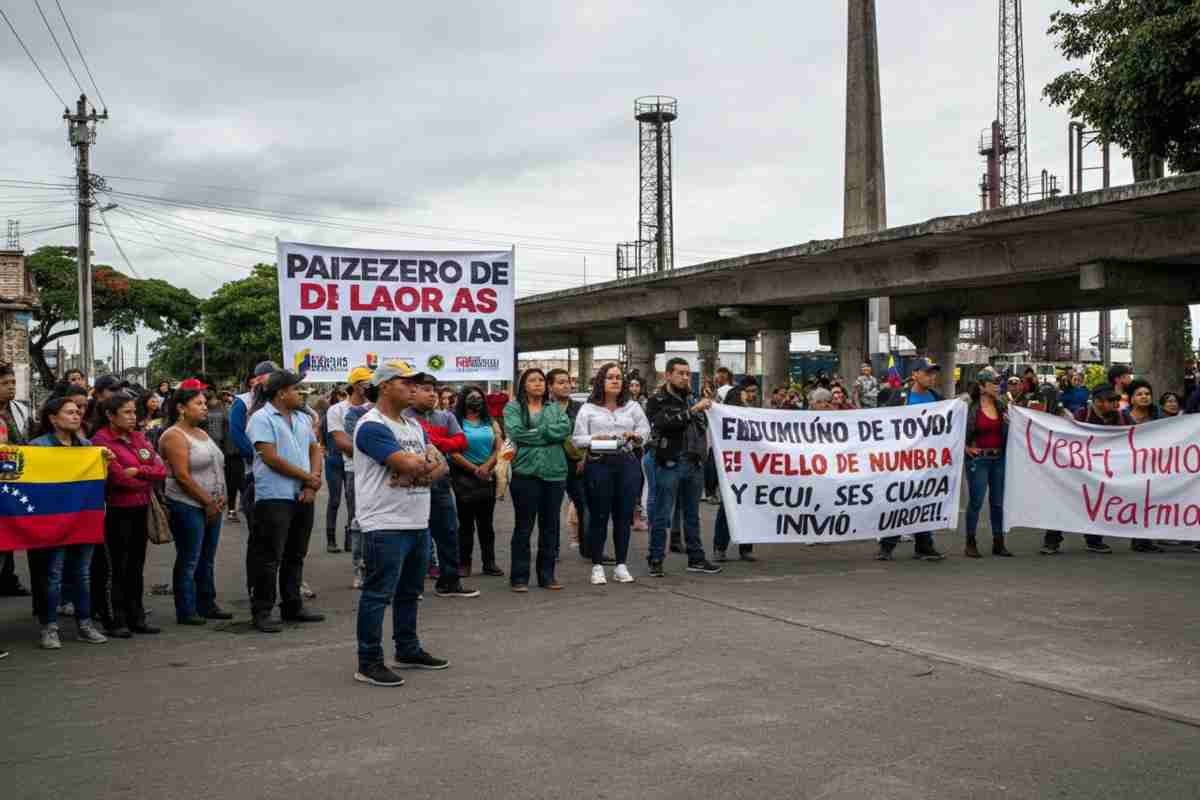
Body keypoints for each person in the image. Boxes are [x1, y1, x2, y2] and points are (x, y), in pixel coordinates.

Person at [353, 360, 451, 686]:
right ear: (384, 386)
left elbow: (440, 467)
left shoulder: (414, 426)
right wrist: (414, 467)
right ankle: (368, 661)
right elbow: (407, 463)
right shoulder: (372, 425)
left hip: (416, 520)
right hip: (384, 522)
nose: (413, 388)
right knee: (378, 594)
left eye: (415, 383)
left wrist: (412, 470)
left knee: (410, 591)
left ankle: (407, 648)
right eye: (405, 382)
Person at [29, 395, 112, 648]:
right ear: (53, 419)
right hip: (53, 522)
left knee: (82, 574)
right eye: (69, 412)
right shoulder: (38, 447)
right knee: (53, 574)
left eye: (78, 412)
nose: (76, 416)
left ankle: (84, 625)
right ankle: (49, 628)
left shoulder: (87, 446)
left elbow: (96, 484)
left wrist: (104, 464)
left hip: (81, 519)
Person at [246, 370, 324, 633]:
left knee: (296, 554)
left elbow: (315, 449)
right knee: (269, 557)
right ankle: (262, 610)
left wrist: (312, 482)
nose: (301, 394)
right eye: (296, 390)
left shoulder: (302, 418)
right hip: (274, 496)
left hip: (302, 495)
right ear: (281, 393)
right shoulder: (261, 418)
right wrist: (309, 479)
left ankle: (292, 605)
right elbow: (271, 458)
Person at [90, 392, 169, 636]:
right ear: (109, 415)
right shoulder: (100, 442)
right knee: (117, 566)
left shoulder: (138, 437)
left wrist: (140, 472)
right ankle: (116, 617)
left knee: (136, 564)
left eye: (134, 412)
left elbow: (161, 470)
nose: (133, 417)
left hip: (141, 508)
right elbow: (120, 478)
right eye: (127, 412)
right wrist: (142, 476)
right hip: (115, 510)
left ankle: (137, 616)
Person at [573, 363, 651, 585]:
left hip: (626, 463)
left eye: (618, 377)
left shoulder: (633, 407)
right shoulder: (588, 408)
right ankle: (597, 565)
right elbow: (577, 439)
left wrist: (635, 436)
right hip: (599, 463)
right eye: (610, 377)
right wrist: (593, 440)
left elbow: (646, 432)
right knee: (599, 515)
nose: (615, 381)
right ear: (601, 381)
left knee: (623, 515)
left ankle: (621, 565)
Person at [160, 387, 232, 625]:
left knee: (207, 557)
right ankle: (186, 609)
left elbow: (217, 465)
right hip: (187, 504)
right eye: (198, 404)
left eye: (204, 403)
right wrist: (207, 501)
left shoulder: (202, 433)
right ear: (181, 408)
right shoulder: (174, 435)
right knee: (190, 557)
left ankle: (207, 603)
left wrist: (218, 499)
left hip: (212, 504)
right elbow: (182, 475)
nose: (204, 408)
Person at [404, 374, 479, 598]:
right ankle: (411, 585)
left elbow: (461, 442)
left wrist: (434, 440)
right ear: (412, 392)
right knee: (415, 535)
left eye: (433, 390)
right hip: (412, 482)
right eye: (425, 389)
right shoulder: (403, 418)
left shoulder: (445, 417)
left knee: (448, 531)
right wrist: (442, 442)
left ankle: (449, 582)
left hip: (441, 483)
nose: (432, 394)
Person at [645, 357, 721, 577]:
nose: (685, 377)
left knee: (692, 514)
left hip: (694, 462)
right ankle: (656, 558)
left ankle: (696, 558)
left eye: (688, 373)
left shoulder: (690, 398)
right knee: (662, 513)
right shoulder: (657, 399)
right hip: (670, 461)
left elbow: (702, 425)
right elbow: (664, 424)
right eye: (680, 373)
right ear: (668, 374)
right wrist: (694, 410)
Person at [504, 368, 572, 591]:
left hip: (555, 472)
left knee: (550, 526)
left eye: (541, 380)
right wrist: (546, 434)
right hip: (526, 473)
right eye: (532, 380)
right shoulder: (514, 408)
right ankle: (519, 578)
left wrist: (534, 433)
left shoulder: (555, 408)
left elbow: (564, 429)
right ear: (523, 384)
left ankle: (547, 575)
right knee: (524, 526)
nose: (538, 383)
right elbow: (515, 432)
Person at [1040, 385, 1123, 555]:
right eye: (1111, 401)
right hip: (1076, 468)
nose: (1116, 404)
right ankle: (1052, 540)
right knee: (1065, 502)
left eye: (1116, 400)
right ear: (1099, 402)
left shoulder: (1119, 417)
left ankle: (1094, 540)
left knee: (1095, 503)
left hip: (1101, 469)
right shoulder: (1081, 415)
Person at [879, 358, 946, 562]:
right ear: (915, 374)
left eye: (933, 373)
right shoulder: (901, 397)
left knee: (924, 501)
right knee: (900, 500)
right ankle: (887, 545)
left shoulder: (937, 397)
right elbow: (885, 424)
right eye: (927, 373)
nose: (932, 377)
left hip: (927, 459)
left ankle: (924, 546)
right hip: (903, 459)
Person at [450, 385, 503, 577]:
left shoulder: (491, 422)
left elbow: (499, 448)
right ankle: (464, 563)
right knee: (465, 524)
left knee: (486, 524)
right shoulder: (455, 421)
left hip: (487, 475)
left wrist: (487, 466)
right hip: (463, 475)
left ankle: (489, 563)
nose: (477, 401)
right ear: (463, 400)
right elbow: (452, 451)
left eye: (480, 398)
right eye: (472, 398)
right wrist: (474, 469)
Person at [963, 371, 1011, 559]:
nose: (998, 385)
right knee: (976, 502)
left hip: (998, 459)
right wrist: (965, 446)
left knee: (998, 503)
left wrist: (1009, 423)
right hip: (979, 460)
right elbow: (956, 428)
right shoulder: (970, 407)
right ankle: (970, 542)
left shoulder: (1001, 405)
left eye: (999, 382)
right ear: (982, 386)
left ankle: (998, 543)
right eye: (994, 382)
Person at [229, 360, 279, 535]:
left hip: (278, 469)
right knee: (257, 522)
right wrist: (255, 455)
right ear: (259, 379)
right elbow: (237, 432)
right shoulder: (242, 401)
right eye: (272, 376)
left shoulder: (276, 400)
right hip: (253, 468)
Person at [327, 369, 372, 555]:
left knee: (360, 507)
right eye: (365, 384)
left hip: (366, 465)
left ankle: (352, 542)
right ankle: (332, 540)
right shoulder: (336, 410)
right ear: (354, 386)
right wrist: (373, 455)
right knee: (337, 500)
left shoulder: (374, 407)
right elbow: (340, 440)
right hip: (340, 461)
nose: (369, 387)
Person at [547, 369, 591, 556]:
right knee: (551, 508)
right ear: (550, 386)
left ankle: (589, 548)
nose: (566, 386)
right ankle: (552, 550)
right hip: (552, 463)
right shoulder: (544, 408)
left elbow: (589, 433)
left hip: (577, 463)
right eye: (561, 382)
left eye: (568, 382)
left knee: (586, 506)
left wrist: (584, 456)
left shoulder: (581, 407)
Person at [713, 378, 758, 563]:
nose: (750, 397)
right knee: (728, 507)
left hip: (752, 469)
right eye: (746, 394)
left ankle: (746, 547)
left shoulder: (755, 415)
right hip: (732, 470)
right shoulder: (726, 418)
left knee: (750, 506)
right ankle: (720, 547)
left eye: (753, 393)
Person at [0, 362, 33, 598]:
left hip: (17, 478)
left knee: (11, 531)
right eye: (4, 383)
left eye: (12, 382)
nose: (10, 387)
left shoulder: (20, 409)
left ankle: (8, 579)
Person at [1122, 379, 1165, 553]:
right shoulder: (1122, 417)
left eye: (1147, 394)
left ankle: (1143, 539)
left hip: (1152, 465)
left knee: (1148, 501)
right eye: (1139, 394)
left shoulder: (1158, 416)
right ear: (1132, 399)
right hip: (1128, 465)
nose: (1144, 397)